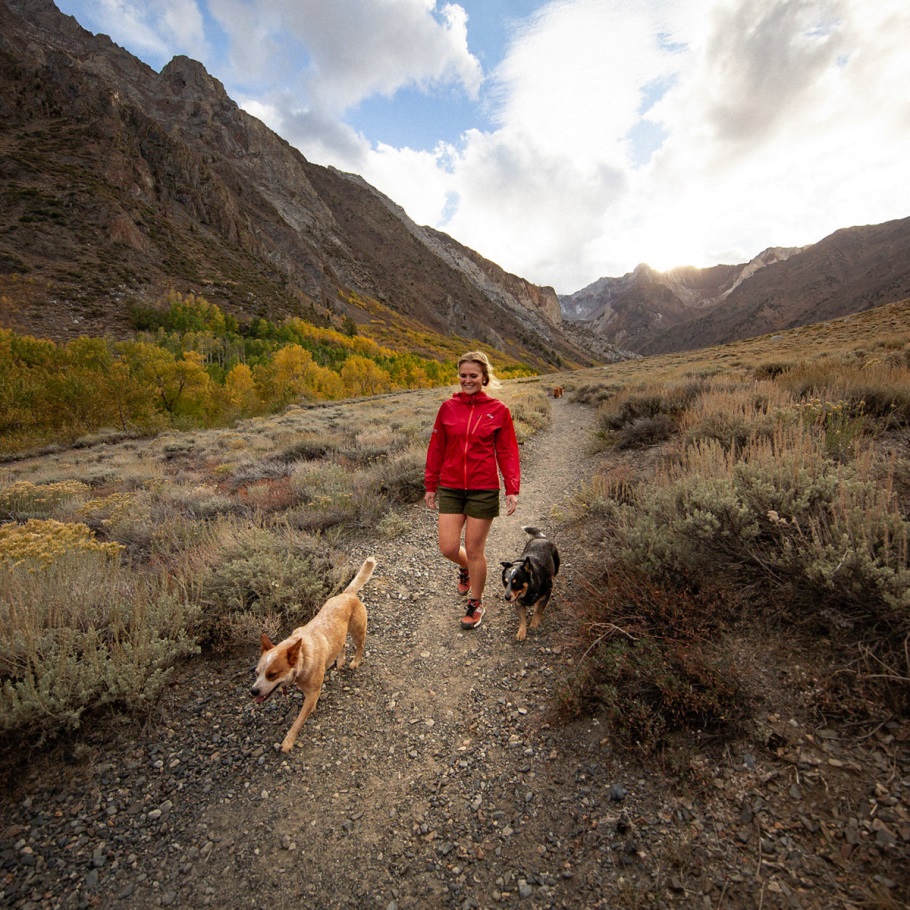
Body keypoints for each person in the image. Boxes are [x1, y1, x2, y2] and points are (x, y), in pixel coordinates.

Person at [424, 351, 521, 630]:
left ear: (484, 378)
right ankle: (465, 568)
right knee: (448, 547)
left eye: (473, 376)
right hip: (451, 487)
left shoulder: (499, 410)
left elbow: (507, 452)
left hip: (483, 488)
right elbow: (437, 449)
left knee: (476, 550)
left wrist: (511, 488)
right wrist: (431, 484)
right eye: (463, 375)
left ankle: (476, 603)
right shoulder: (447, 408)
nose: (467, 380)